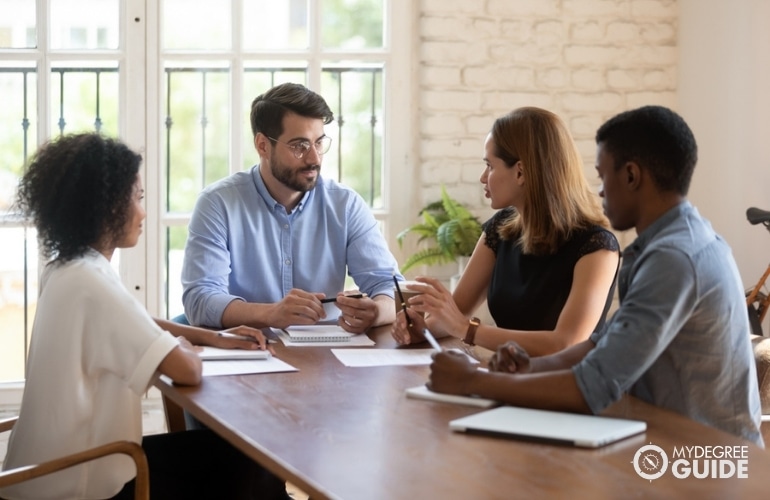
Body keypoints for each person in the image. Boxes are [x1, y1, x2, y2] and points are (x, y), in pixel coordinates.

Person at [427, 105, 764, 446]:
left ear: (631, 176)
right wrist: (529, 367)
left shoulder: (674, 259)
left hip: (707, 461)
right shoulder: (666, 244)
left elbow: (595, 384)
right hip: (666, 442)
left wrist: (474, 380)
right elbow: (601, 345)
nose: (600, 191)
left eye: (603, 176)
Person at [0, 133, 283, 499]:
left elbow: (133, 319)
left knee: (235, 460)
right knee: (248, 461)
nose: (144, 211)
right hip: (82, 484)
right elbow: (188, 370)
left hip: (37, 476)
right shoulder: (92, 283)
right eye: (137, 198)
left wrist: (210, 336)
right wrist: (180, 345)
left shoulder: (67, 268)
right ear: (105, 206)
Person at [392, 107, 620, 357]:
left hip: (561, 389)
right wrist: (421, 329)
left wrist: (466, 329)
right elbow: (457, 314)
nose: (482, 177)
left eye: (489, 166)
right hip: (508, 378)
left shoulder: (597, 245)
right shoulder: (500, 230)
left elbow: (565, 343)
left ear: (520, 172)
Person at [182, 82, 401, 334]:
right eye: (299, 146)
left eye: (318, 143)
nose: (314, 159)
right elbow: (199, 300)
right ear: (263, 145)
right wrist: (271, 313)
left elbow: (390, 287)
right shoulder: (217, 204)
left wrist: (376, 311)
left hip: (326, 360)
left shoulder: (345, 205)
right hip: (250, 357)